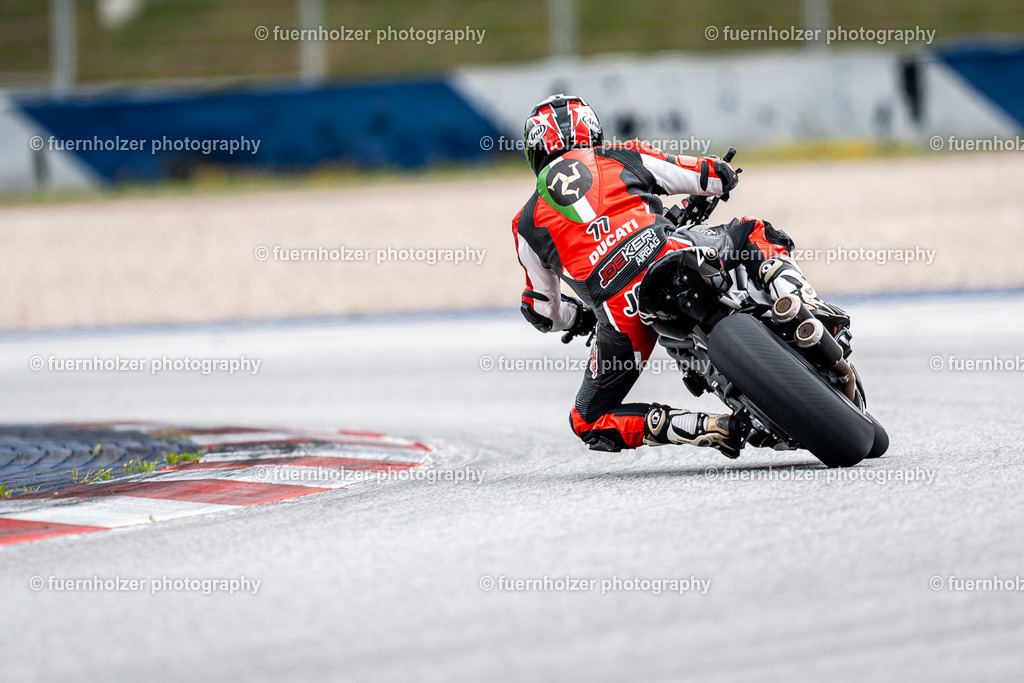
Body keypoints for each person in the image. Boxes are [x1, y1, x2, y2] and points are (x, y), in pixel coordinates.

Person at [512, 94, 847, 457]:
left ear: (534, 152)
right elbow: (708, 175)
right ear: (593, 132)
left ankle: (707, 428)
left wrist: (577, 318)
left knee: (589, 419)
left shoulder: (525, 223)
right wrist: (723, 175)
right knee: (753, 232)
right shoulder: (621, 155)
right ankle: (805, 304)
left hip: (621, 312)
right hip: (669, 250)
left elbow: (543, 311)